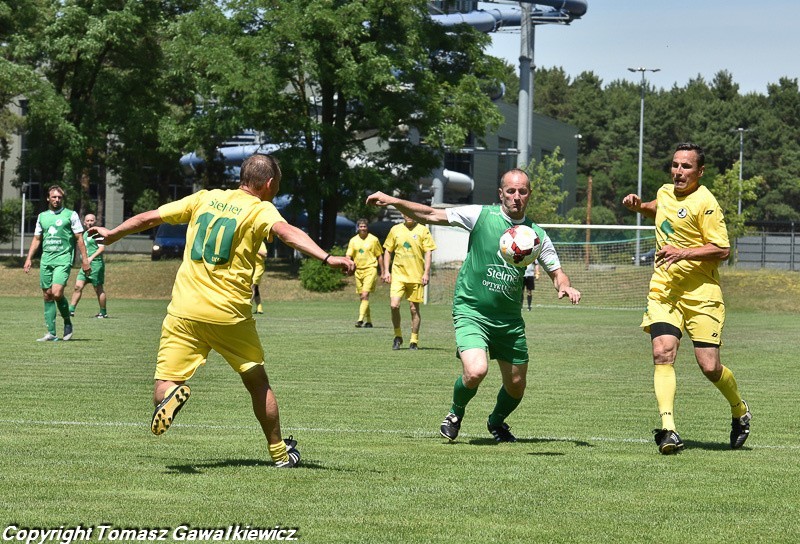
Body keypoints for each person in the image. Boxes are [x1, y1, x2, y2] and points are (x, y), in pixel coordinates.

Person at [89, 154, 355, 468]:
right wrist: (327, 258)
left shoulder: (205, 198)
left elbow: (151, 217)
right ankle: (280, 454)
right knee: (258, 384)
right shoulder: (260, 209)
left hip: (184, 311)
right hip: (229, 314)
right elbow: (287, 233)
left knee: (163, 386)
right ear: (269, 184)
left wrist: (114, 234)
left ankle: (173, 395)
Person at [367, 168, 581, 442]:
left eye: (522, 191)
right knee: (476, 370)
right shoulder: (481, 215)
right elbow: (432, 214)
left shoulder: (536, 236)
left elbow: (556, 272)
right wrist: (393, 200)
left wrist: (564, 285)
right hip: (472, 311)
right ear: (501, 193)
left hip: (508, 321)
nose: (516, 197)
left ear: (529, 195)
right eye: (511, 191)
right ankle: (455, 413)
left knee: (516, 386)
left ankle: (496, 421)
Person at [622, 142, 751, 455]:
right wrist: (640, 206)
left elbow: (722, 249)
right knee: (663, 352)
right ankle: (668, 430)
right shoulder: (666, 191)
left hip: (701, 293)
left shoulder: (706, 202)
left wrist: (683, 253)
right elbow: (659, 207)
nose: (678, 171)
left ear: (700, 171)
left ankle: (739, 410)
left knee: (709, 367)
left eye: (686, 167)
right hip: (665, 289)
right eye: (676, 165)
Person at [23, 185, 91, 341]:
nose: (56, 199)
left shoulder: (70, 215)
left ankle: (67, 321)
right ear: (48, 198)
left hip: (63, 259)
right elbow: (37, 239)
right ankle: (51, 333)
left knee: (57, 292)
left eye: (59, 197)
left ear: (62, 199)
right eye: (54, 197)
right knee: (47, 295)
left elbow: (79, 238)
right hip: (46, 260)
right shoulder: (42, 217)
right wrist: (29, 258)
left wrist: (85, 260)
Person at [382, 213, 437, 350]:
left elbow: (428, 252)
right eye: (405, 212)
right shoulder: (395, 229)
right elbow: (388, 251)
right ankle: (398, 336)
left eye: (410, 212)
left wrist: (426, 272)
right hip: (398, 275)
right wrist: (386, 271)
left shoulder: (423, 230)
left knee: (414, 308)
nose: (408, 215)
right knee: (394, 305)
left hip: (416, 276)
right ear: (401, 214)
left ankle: (414, 340)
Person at [346, 218, 385, 328]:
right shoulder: (353, 240)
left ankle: (360, 319)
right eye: (361, 226)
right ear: (358, 228)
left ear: (367, 228)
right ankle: (369, 321)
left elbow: (379, 256)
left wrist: (383, 271)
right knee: (363, 298)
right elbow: (349, 255)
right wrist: (347, 265)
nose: (363, 228)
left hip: (370, 269)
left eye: (364, 226)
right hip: (358, 271)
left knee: (365, 294)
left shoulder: (373, 240)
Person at [69, 213, 109, 318]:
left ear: (95, 221)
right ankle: (70, 311)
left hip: (96, 265)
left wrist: (91, 258)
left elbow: (101, 248)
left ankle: (103, 312)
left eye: (92, 220)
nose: (89, 223)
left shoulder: (97, 233)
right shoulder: (85, 234)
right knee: (78, 286)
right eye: (87, 221)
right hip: (85, 265)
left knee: (98, 289)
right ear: (84, 222)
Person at [251, 242, 268, 314]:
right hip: (250, 267)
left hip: (258, 267)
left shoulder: (260, 243)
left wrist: (254, 248)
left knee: (252, 286)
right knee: (255, 288)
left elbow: (264, 254)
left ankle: (247, 306)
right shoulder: (247, 240)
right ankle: (259, 307)